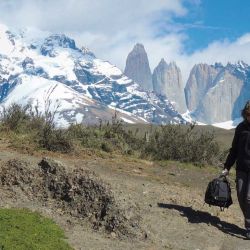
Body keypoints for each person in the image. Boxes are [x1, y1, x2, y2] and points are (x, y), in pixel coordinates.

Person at [221, 100, 250, 239]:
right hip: (241, 168)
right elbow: (234, 150)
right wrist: (227, 167)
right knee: (240, 195)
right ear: (245, 114)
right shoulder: (240, 128)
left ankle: (249, 226)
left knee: (249, 198)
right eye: (248, 113)